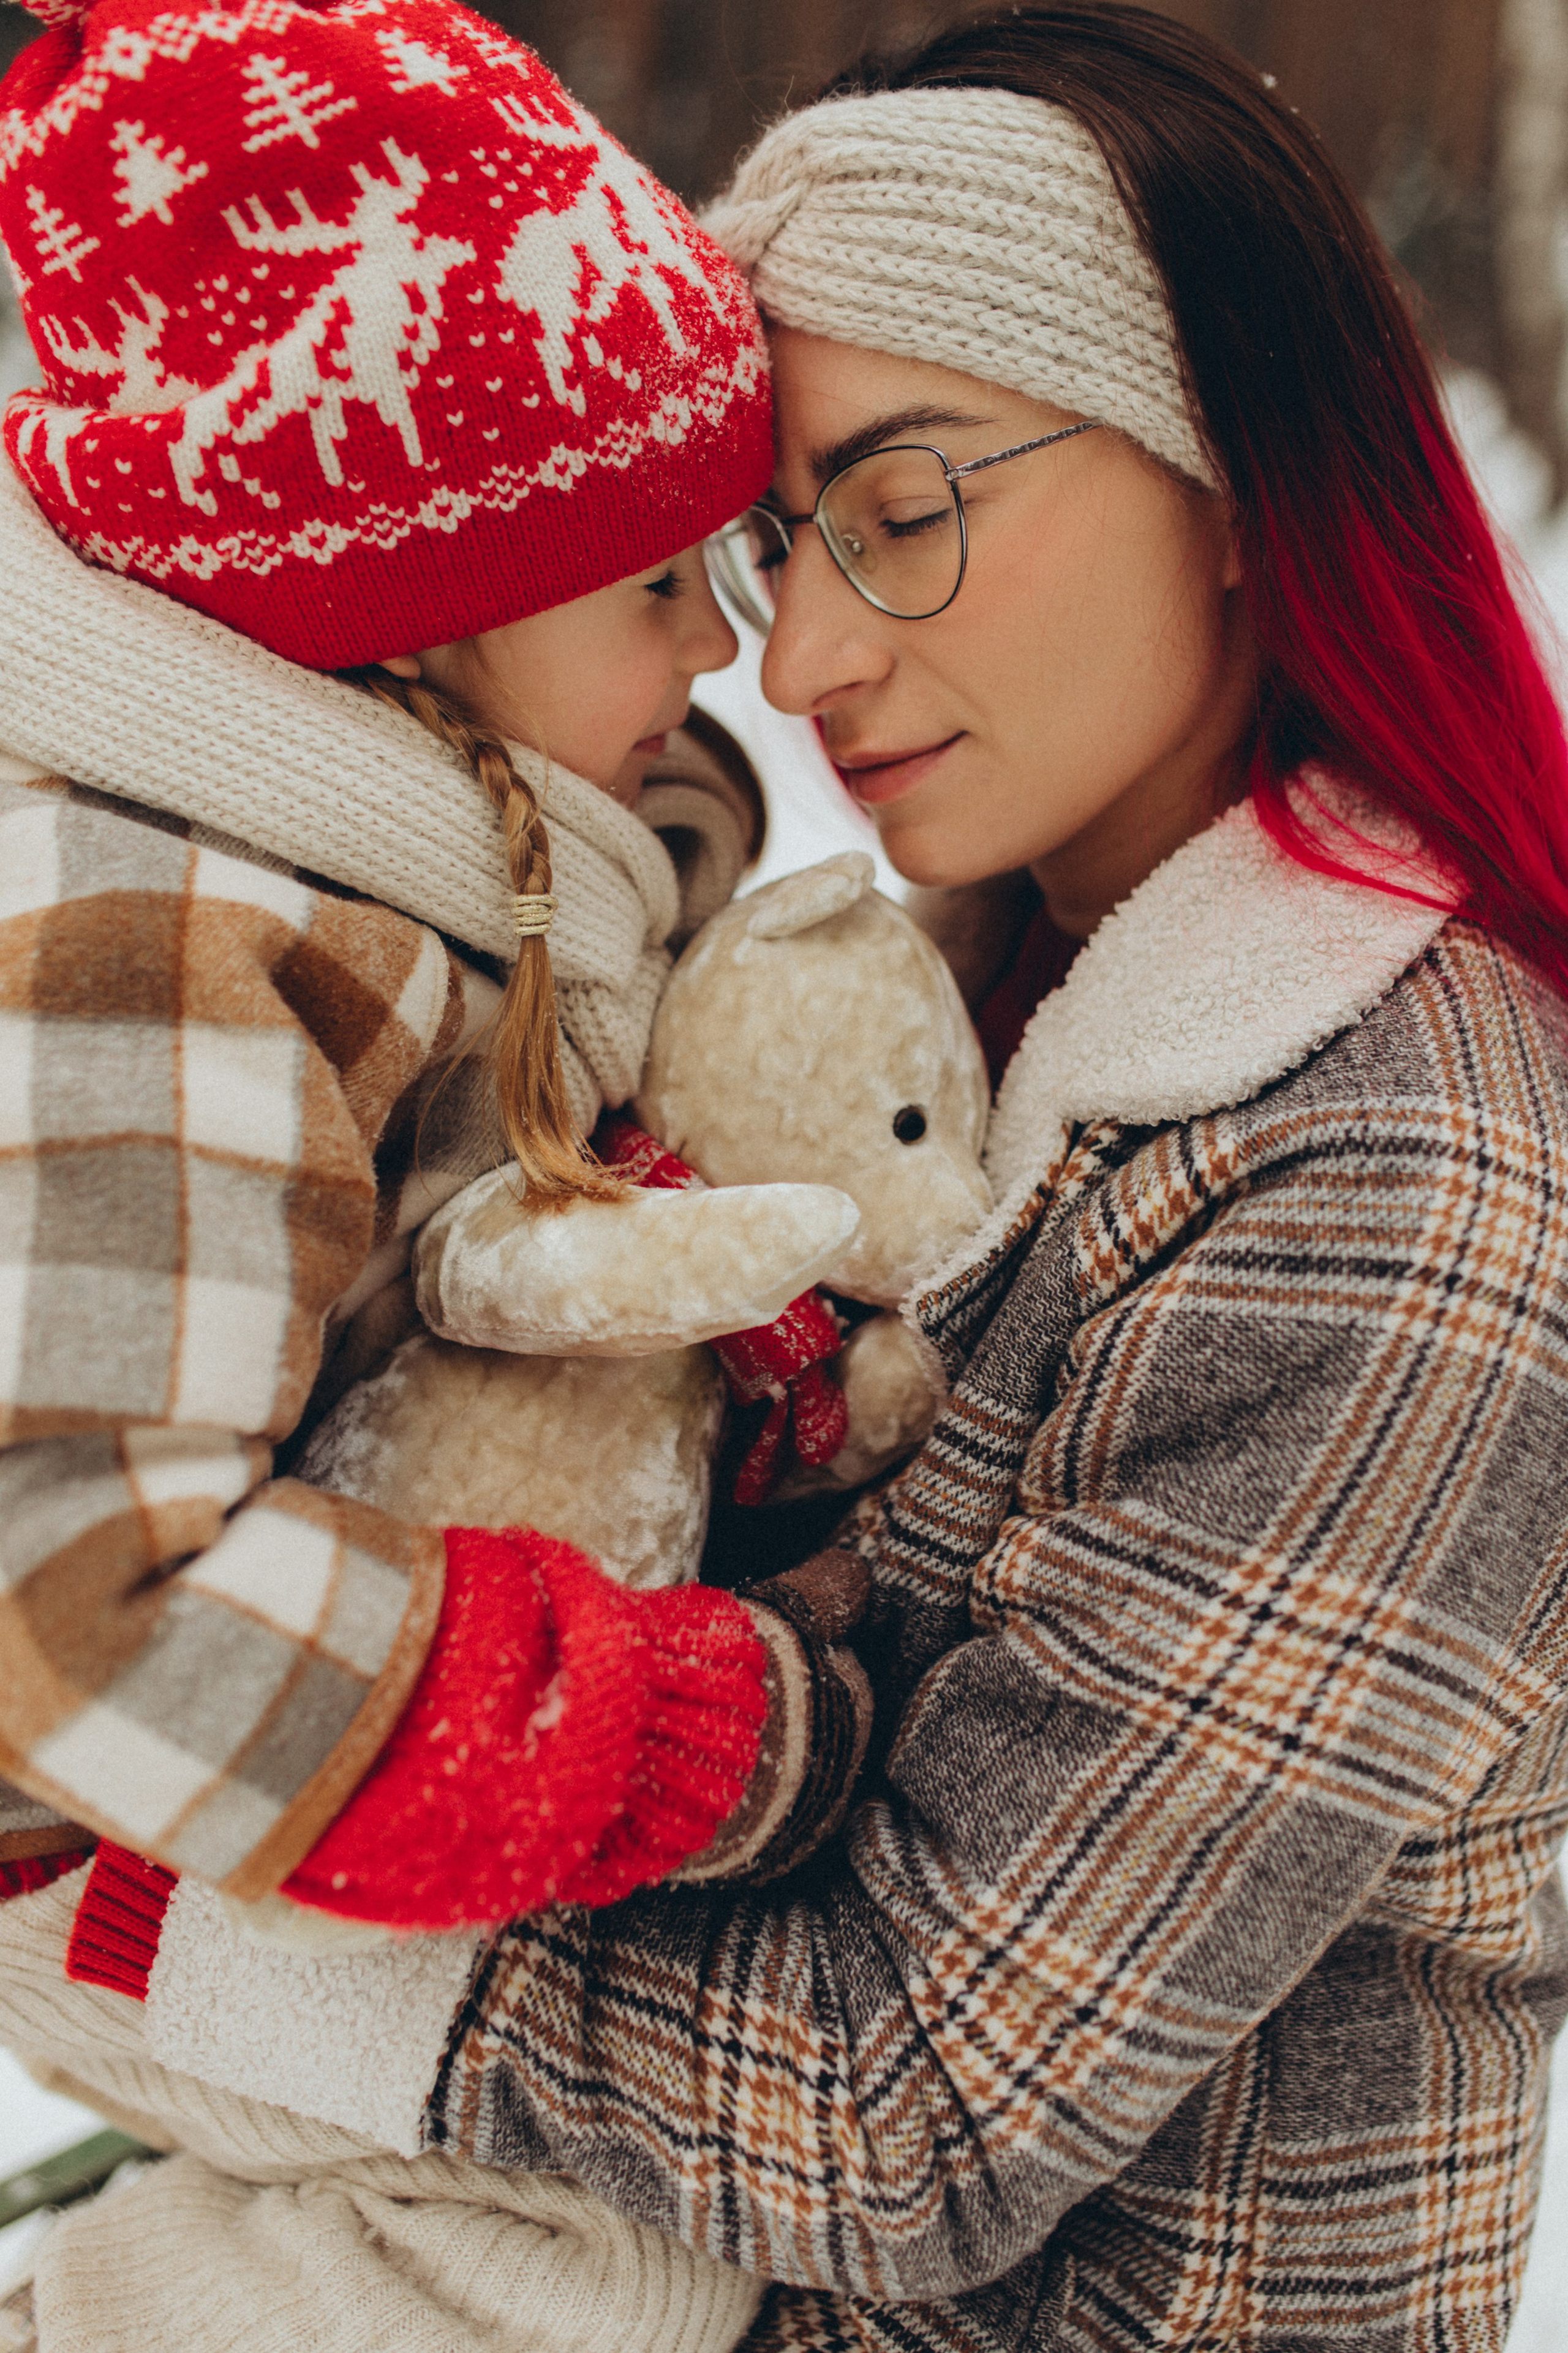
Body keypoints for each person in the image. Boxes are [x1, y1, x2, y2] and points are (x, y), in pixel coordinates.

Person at [396, 9, 1568, 2351]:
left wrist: (167, 1896)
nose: (806, 654)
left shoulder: (1400, 1180)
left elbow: (910, 2101)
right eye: (775, 539)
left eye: (906, 508)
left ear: (1228, 464)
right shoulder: (977, 996)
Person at [0, 0, 877, 2318]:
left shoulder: (391, 848)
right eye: (654, 590)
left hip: (297, 1752)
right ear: (402, 616)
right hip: (106, 1825)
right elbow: (76, 1596)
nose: (726, 660)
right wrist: (653, 1731)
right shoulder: (162, 939)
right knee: (619, 2252)